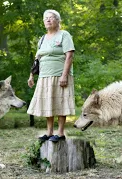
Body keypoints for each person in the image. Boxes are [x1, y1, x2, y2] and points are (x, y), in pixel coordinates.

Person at [27, 9, 75, 142]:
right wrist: (31, 75)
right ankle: (49, 132)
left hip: (60, 75)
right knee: (48, 103)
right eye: (45, 18)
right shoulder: (42, 39)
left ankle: (60, 133)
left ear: (58, 21)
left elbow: (69, 56)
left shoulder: (64, 35)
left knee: (60, 102)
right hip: (44, 76)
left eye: (51, 17)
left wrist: (64, 75)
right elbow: (37, 59)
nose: (48, 20)